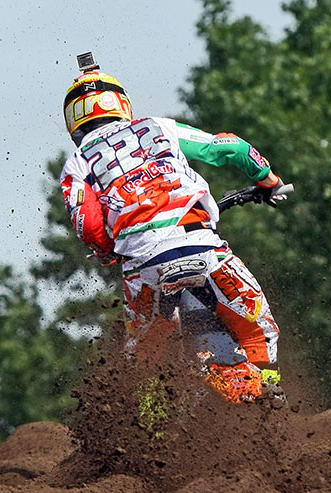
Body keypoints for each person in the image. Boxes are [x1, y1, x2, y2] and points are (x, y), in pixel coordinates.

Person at [59, 58, 289, 403]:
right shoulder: (158, 127)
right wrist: (268, 180)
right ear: (122, 104)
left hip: (144, 267)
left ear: (73, 120)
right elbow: (229, 147)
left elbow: (88, 224)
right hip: (202, 248)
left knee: (142, 362)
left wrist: (108, 249)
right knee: (260, 328)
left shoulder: (78, 163)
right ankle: (270, 398)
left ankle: (152, 432)